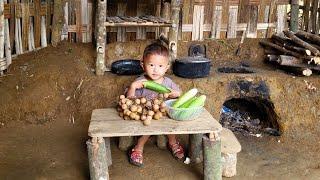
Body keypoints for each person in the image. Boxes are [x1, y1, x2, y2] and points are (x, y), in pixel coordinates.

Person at [126, 43, 185, 167]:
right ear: (143, 65)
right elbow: (130, 101)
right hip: (147, 114)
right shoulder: (141, 82)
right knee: (149, 123)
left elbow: (179, 94)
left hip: (163, 114)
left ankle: (173, 142)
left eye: (160, 66)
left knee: (170, 121)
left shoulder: (168, 82)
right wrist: (132, 87)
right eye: (151, 65)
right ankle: (139, 147)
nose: (155, 69)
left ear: (167, 67)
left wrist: (175, 94)